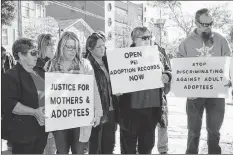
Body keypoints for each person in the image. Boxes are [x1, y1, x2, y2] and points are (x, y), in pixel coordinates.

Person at [177, 8, 232, 154]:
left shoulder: (221, 40)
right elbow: (180, 68)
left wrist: (229, 78)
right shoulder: (186, 43)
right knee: (193, 131)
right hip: (194, 94)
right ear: (196, 23)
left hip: (217, 93)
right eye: (205, 24)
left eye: (211, 23)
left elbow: (229, 62)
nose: (208, 27)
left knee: (214, 131)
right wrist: (186, 89)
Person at [44, 31, 103, 154]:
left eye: (75, 47)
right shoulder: (50, 65)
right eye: (69, 47)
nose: (72, 51)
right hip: (59, 118)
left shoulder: (85, 65)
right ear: (61, 47)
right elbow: (44, 94)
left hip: (80, 118)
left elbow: (94, 90)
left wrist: (98, 112)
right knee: (62, 151)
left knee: (79, 151)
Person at [118, 27, 172, 154]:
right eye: (144, 38)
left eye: (149, 37)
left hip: (151, 109)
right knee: (128, 148)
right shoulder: (123, 56)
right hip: (130, 111)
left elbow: (168, 69)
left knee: (147, 146)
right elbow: (117, 77)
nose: (148, 40)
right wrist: (117, 88)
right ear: (134, 40)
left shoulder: (158, 54)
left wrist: (167, 76)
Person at [1, 38, 48, 154]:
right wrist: (35, 112)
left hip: (41, 131)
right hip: (23, 134)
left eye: (37, 52)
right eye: (33, 53)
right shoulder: (10, 76)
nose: (37, 56)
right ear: (21, 55)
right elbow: (11, 105)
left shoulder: (40, 72)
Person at [84, 31, 118, 154]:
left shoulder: (109, 63)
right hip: (96, 112)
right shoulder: (86, 66)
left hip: (111, 110)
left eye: (103, 45)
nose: (102, 49)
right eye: (98, 46)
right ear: (89, 48)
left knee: (109, 146)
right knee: (95, 148)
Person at [33, 33, 56, 155]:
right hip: (42, 118)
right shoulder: (35, 68)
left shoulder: (54, 65)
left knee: (51, 149)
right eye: (50, 45)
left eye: (54, 44)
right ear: (42, 46)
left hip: (53, 116)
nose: (53, 47)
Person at [154, 42, 170, 154]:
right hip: (141, 99)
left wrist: (168, 75)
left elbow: (168, 68)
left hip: (160, 95)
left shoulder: (160, 52)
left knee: (163, 124)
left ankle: (163, 150)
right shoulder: (130, 52)